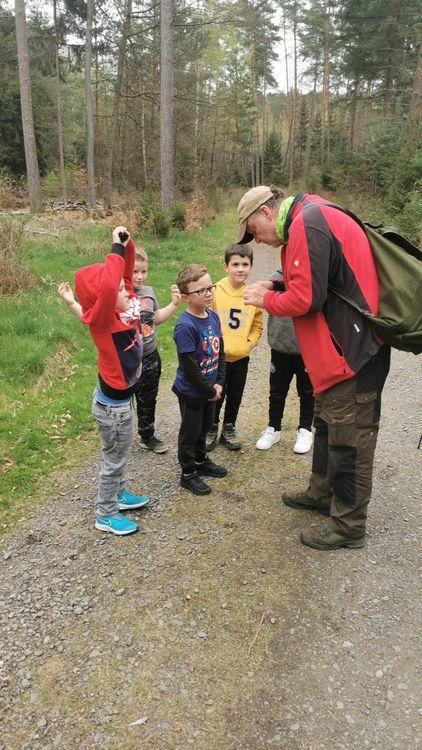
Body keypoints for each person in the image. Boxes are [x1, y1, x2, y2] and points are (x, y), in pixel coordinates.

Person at [239, 186, 391, 551]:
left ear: (264, 212)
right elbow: (316, 277)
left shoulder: (308, 223)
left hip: (353, 356)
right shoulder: (307, 216)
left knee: (349, 440)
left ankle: (349, 525)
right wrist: (275, 282)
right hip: (336, 358)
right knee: (326, 426)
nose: (256, 242)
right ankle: (322, 493)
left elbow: (307, 298)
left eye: (253, 232)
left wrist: (267, 298)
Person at [57, 227, 150, 536]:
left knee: (120, 453)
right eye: (120, 291)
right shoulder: (104, 319)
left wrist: (126, 243)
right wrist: (113, 247)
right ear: (107, 299)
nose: (128, 290)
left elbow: (120, 276)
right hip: (113, 408)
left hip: (122, 402)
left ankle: (119, 496)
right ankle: (105, 513)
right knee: (114, 458)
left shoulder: (127, 307)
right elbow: (112, 287)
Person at [172, 263, 227, 496]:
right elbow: (189, 367)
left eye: (210, 288)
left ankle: (201, 460)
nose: (208, 293)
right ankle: (188, 473)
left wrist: (219, 383)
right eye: (201, 291)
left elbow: (220, 352)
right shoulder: (185, 326)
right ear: (185, 297)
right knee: (190, 432)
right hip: (192, 393)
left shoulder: (213, 316)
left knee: (205, 427)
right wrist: (207, 390)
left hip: (210, 390)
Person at [205, 243, 263, 452]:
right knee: (215, 395)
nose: (240, 269)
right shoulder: (215, 292)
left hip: (240, 357)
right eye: (235, 264)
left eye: (245, 264)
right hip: (217, 359)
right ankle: (211, 427)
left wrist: (250, 342)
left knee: (235, 395)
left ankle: (228, 427)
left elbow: (257, 324)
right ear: (226, 266)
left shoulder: (252, 295)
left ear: (251, 267)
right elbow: (206, 322)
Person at [256, 269, 314, 454]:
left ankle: (305, 429)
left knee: (307, 392)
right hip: (280, 347)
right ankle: (273, 428)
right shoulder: (275, 277)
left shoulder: (312, 276)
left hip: (306, 348)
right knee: (277, 391)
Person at [132, 247, 181, 453]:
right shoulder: (117, 294)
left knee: (148, 397)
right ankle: (119, 437)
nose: (140, 276)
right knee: (124, 402)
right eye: (134, 271)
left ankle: (147, 435)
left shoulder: (149, 292)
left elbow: (156, 318)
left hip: (150, 355)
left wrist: (174, 304)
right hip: (126, 361)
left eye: (144, 271)